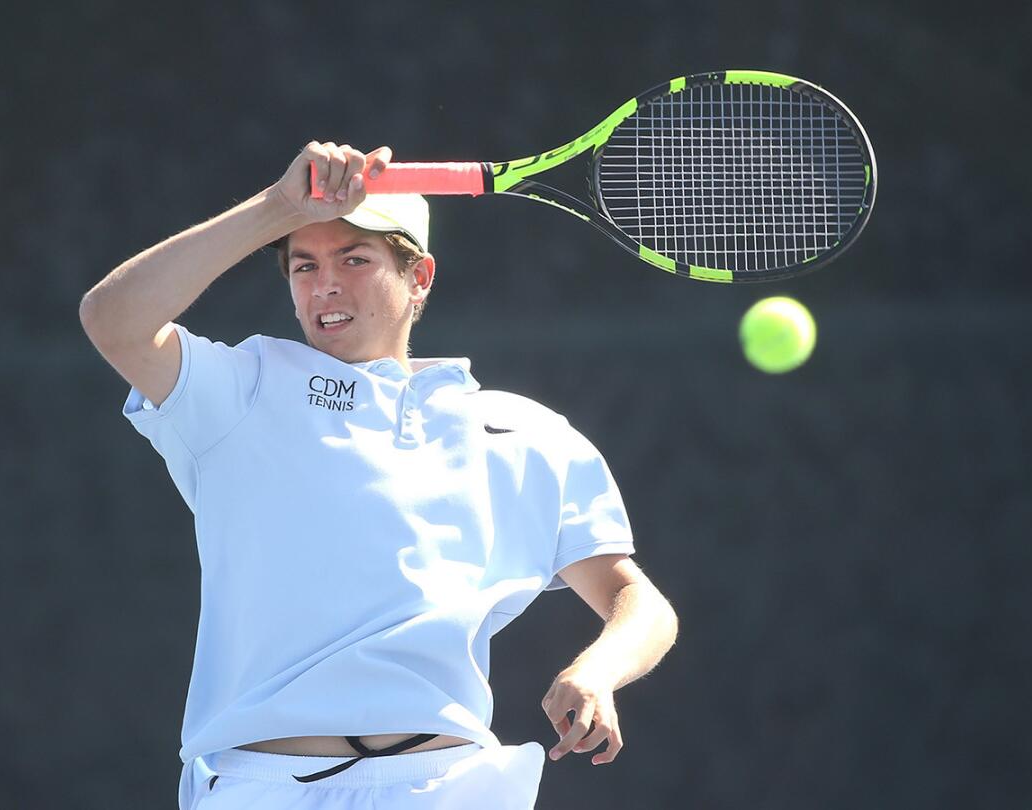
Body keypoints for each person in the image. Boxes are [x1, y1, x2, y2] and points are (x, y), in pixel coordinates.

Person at [79, 141, 680, 809]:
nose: (324, 284)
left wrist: (597, 670)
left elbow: (640, 604)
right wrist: (278, 206)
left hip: (449, 786)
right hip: (260, 789)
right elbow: (113, 321)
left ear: (419, 277)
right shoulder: (239, 390)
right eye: (302, 265)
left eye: (354, 259)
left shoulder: (526, 433)